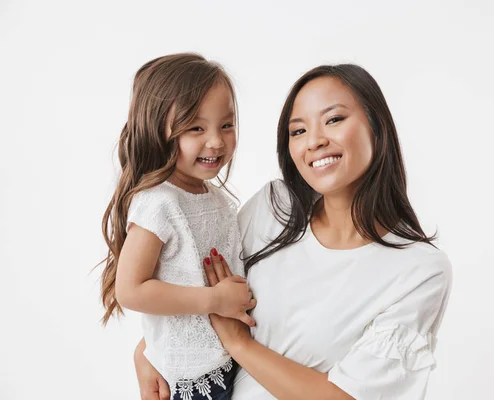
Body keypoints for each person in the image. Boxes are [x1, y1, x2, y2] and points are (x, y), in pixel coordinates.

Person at [135, 64, 452, 400]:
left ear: (377, 126)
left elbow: (346, 397)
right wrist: (148, 349)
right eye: (298, 131)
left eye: (334, 119)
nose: (314, 141)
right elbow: (193, 280)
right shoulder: (275, 208)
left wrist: (238, 343)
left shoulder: (420, 270)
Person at [99, 53, 256, 400]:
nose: (216, 141)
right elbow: (131, 289)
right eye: (196, 127)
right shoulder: (159, 202)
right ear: (159, 130)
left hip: (229, 361)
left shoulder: (216, 199)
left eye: (226, 125)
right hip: (189, 376)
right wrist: (215, 299)